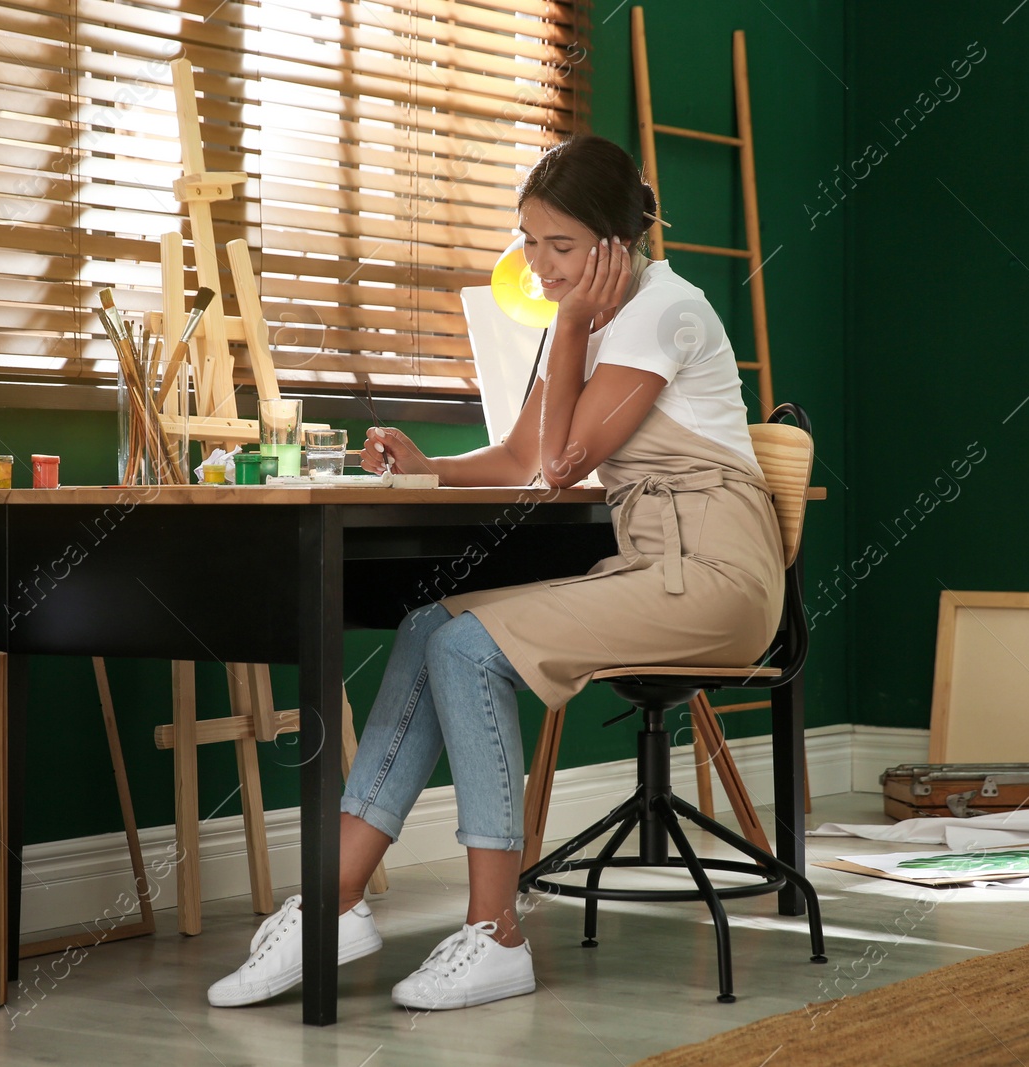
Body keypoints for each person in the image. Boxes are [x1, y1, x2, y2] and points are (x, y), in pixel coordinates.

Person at [208, 134, 785, 1012]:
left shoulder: (666, 311)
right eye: (529, 240)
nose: (539, 264)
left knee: (468, 649)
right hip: (655, 561)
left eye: (560, 246)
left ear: (617, 243)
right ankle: (333, 903)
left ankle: (496, 932)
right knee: (429, 625)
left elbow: (559, 464)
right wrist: (425, 465)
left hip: (717, 576)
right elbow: (522, 453)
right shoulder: (589, 318)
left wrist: (574, 327)